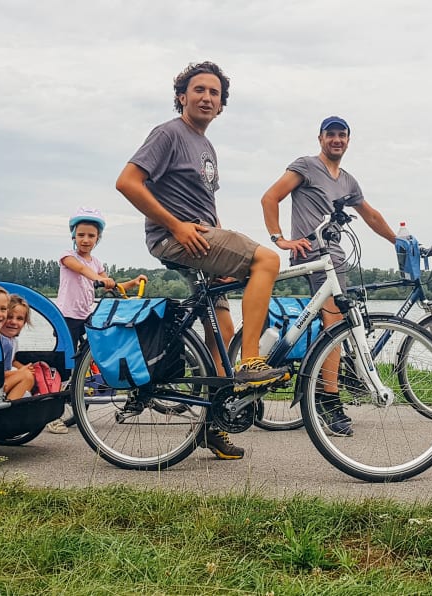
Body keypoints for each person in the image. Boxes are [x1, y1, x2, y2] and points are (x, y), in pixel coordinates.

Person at [115, 60, 289, 460]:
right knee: (267, 261)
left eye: (214, 93)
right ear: (182, 97)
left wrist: (221, 236)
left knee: (220, 341)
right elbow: (127, 182)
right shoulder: (168, 134)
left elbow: (206, 205)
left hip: (202, 240)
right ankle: (252, 363)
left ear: (222, 106)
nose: (207, 97)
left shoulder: (206, 146)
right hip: (179, 238)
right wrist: (176, 226)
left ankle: (213, 425)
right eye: (199, 90)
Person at [261, 115, 398, 437]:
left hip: (336, 259)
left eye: (342, 135)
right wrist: (279, 239)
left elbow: (371, 215)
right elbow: (270, 197)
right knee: (336, 324)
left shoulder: (348, 181)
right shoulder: (306, 166)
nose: (337, 140)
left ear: (349, 140)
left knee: (344, 320)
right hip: (313, 255)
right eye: (331, 135)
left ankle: (327, 378)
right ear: (320, 138)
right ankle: (327, 399)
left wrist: (398, 241)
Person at [49, 207, 147, 433]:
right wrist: (100, 279)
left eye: (91, 236)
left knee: (96, 350)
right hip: (66, 317)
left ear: (98, 238)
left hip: (85, 316)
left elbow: (111, 283)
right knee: (62, 366)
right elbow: (83, 271)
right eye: (81, 234)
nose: (85, 239)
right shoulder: (68, 256)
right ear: (73, 236)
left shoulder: (96, 262)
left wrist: (132, 281)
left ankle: (93, 385)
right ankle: (52, 415)